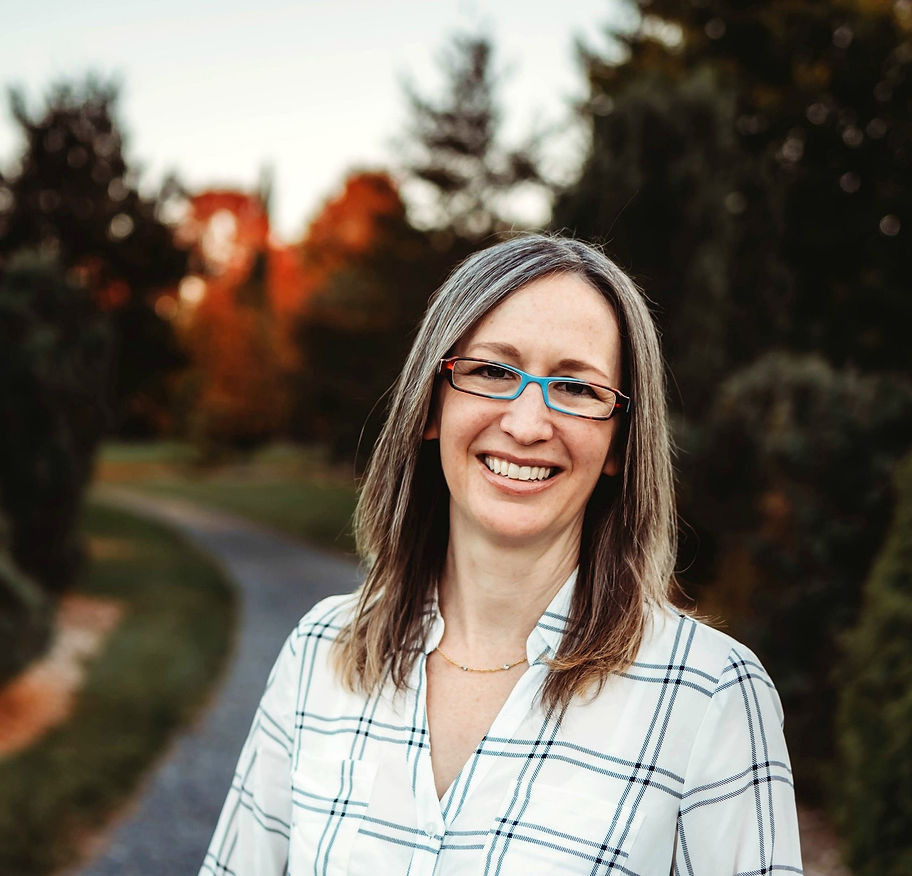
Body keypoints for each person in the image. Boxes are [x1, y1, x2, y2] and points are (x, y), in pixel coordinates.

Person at [200, 234, 803, 875]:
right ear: (432, 404)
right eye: (492, 372)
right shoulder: (321, 652)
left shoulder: (708, 695)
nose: (526, 423)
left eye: (575, 387)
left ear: (622, 445)